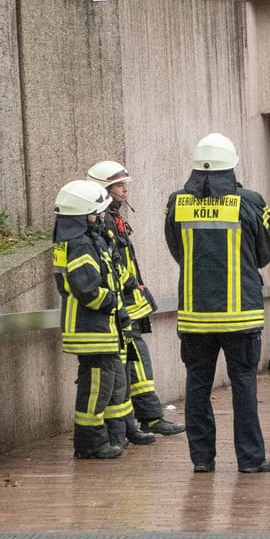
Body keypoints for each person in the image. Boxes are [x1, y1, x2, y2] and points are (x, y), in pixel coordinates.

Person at [164, 132, 270, 474]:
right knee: (244, 387)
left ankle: (201, 459)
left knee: (197, 387)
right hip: (241, 316)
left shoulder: (177, 202)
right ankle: (250, 460)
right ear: (232, 166)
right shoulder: (251, 202)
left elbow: (176, 250)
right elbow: (264, 253)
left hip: (195, 316)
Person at [86, 160, 182, 437]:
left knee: (136, 364)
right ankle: (144, 420)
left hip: (131, 303)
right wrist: (129, 285)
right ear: (103, 188)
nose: (125, 189)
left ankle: (144, 419)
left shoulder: (113, 218)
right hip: (120, 305)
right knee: (132, 364)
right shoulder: (102, 222)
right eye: (118, 185)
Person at [53, 180, 133, 459]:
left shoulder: (88, 240)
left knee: (106, 384)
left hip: (99, 327)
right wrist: (112, 302)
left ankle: (108, 436)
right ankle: (90, 442)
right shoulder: (79, 244)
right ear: (83, 213)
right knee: (95, 387)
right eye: (96, 213)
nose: (101, 217)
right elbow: (86, 288)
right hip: (90, 328)